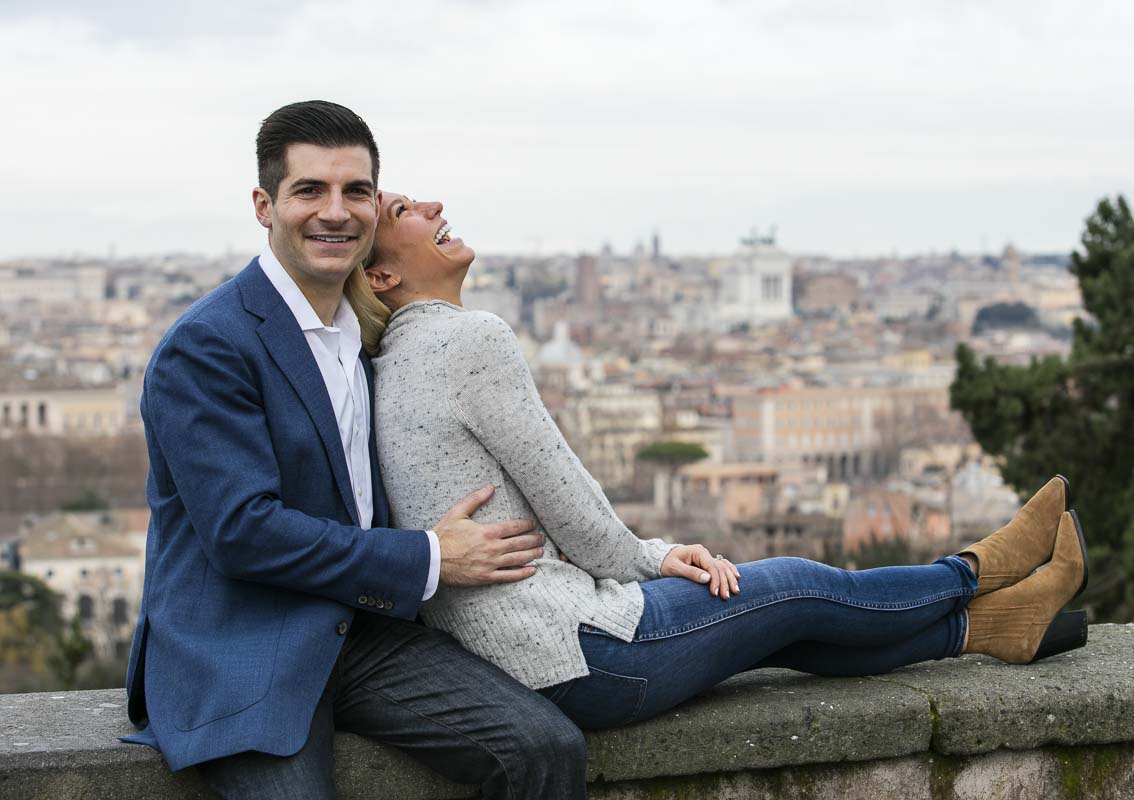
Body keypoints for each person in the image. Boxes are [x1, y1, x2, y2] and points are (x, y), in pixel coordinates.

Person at [350, 191, 1089, 730]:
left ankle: (998, 627)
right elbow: (571, 507)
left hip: (532, 654)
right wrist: (658, 554)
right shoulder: (467, 340)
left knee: (787, 629)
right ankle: (978, 569)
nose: (433, 204)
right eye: (403, 211)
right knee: (795, 587)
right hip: (580, 651)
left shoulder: (394, 359)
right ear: (382, 277)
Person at [122, 103, 587, 799]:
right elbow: (243, 533)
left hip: (353, 628)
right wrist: (431, 556)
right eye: (310, 190)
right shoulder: (208, 345)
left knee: (544, 748)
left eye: (356, 192)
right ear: (264, 205)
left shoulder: (367, 333)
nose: (335, 212)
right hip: (242, 646)